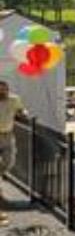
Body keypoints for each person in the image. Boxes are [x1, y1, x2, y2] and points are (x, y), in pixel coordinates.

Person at [0, 80, 28, 225]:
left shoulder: (14, 99)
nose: (2, 92)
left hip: (8, 135)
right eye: (0, 90)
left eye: (4, 90)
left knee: (9, 162)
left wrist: (24, 113)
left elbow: (20, 110)